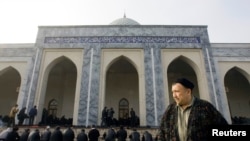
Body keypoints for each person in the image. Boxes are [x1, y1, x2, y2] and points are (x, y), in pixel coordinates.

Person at [157, 78, 228, 141]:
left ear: (188, 92)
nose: (174, 95)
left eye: (177, 91)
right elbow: (161, 132)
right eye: (173, 92)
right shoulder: (170, 110)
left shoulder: (205, 107)